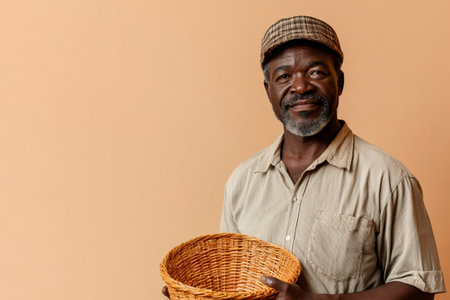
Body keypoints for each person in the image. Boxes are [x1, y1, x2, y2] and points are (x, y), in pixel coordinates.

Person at [162, 16, 445, 299]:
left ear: (340, 82)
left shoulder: (388, 178)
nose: (300, 87)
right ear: (268, 90)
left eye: (316, 72)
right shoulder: (243, 181)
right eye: (283, 76)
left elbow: (418, 288)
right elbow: (235, 284)